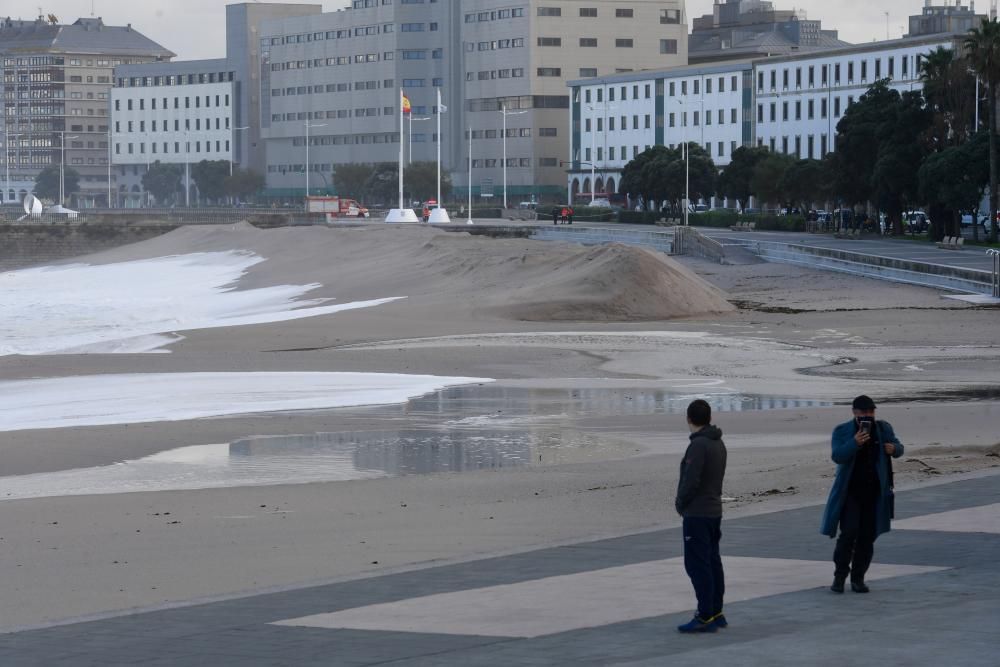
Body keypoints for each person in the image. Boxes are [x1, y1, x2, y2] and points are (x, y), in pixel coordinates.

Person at [821, 395, 904, 594]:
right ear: (854, 413)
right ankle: (839, 577)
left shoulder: (883, 429)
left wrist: (894, 449)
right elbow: (837, 456)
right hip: (850, 493)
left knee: (868, 537)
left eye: (871, 412)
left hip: (875, 493)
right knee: (848, 534)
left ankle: (858, 578)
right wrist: (854, 442)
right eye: (863, 413)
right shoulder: (842, 431)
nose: (868, 416)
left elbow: (899, 448)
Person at [675, 399, 728, 633]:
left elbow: (691, 480)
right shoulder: (718, 443)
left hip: (698, 513)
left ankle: (705, 614)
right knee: (712, 561)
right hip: (713, 511)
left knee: (698, 565)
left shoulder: (698, 445)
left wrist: (680, 503)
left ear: (688, 419)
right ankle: (716, 611)